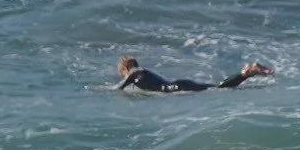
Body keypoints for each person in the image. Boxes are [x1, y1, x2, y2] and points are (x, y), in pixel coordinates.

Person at [116, 57, 273, 94]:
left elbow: (119, 88)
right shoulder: (144, 72)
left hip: (176, 88)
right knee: (217, 87)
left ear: (125, 68)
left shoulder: (134, 74)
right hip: (179, 84)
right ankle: (245, 73)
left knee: (219, 88)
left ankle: (246, 73)